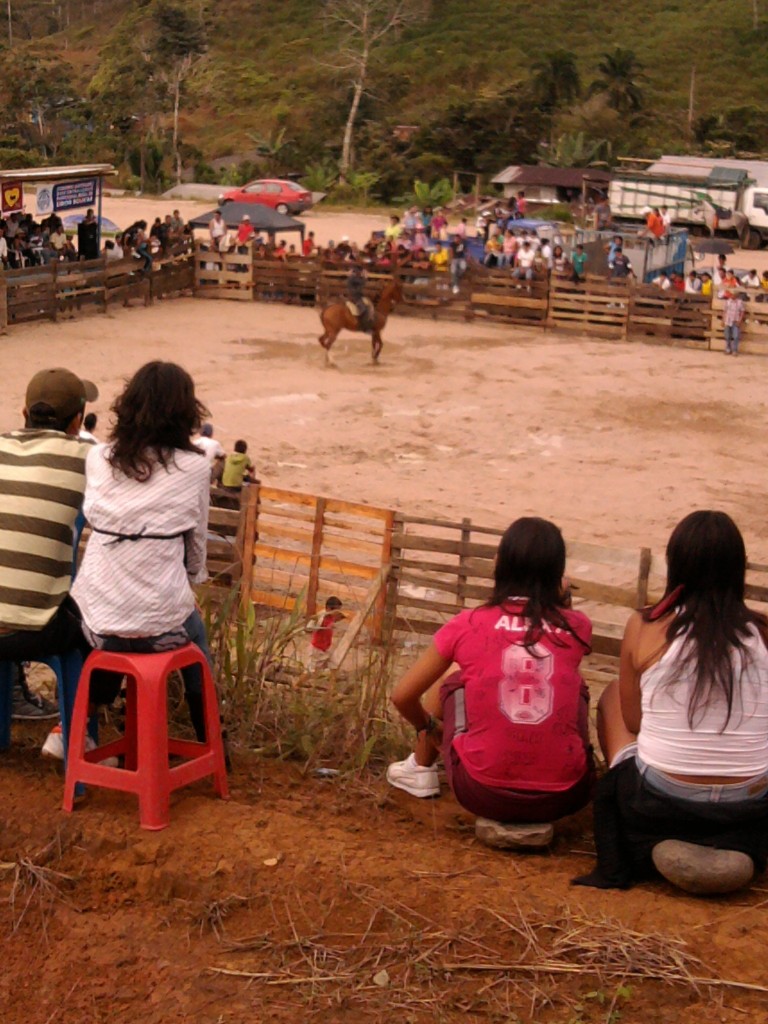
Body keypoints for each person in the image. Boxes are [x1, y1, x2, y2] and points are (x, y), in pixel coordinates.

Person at [581, 511, 768, 893]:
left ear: (675, 564)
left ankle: (654, 841)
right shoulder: (763, 631)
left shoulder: (645, 625)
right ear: (738, 568)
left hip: (662, 797)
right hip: (750, 801)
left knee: (614, 694)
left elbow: (632, 722)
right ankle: (732, 844)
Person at [386, 518, 594, 824]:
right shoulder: (578, 625)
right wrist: (561, 599)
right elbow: (551, 635)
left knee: (455, 676)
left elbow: (402, 696)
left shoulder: (469, 623)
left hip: (480, 791)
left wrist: (429, 728)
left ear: (499, 564)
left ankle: (420, 767)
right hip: (565, 797)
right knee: (574, 685)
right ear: (558, 574)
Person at [70, 361, 214, 744]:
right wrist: (189, 581)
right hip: (162, 629)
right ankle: (212, 736)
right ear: (186, 411)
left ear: (128, 405)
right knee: (194, 637)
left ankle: (83, 721)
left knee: (114, 626)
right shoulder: (196, 467)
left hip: (95, 626)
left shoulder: (98, 458)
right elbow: (196, 545)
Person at [0, 368, 98, 718]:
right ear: (78, 421)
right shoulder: (88, 458)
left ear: (24, 414)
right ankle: (78, 732)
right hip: (33, 631)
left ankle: (11, 696)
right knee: (92, 626)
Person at [306, 596, 345, 670]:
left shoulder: (331, 616)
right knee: (310, 671)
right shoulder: (321, 617)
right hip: (317, 649)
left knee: (333, 666)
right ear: (328, 609)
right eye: (336, 611)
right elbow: (309, 627)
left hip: (325, 648)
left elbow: (333, 621)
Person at [722, 289, 745, 355]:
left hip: (735, 320)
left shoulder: (740, 302)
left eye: (733, 294)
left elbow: (742, 312)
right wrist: (723, 320)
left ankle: (735, 350)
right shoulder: (728, 301)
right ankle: (728, 349)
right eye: (731, 294)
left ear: (736, 295)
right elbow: (724, 311)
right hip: (728, 320)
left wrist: (740, 321)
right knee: (727, 336)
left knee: (736, 336)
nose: (732, 295)